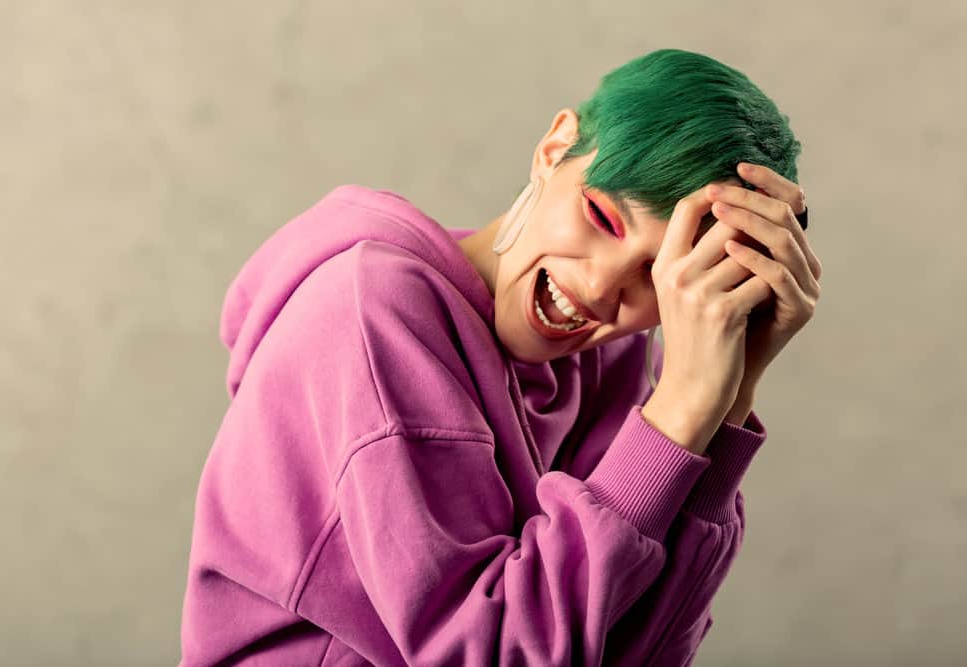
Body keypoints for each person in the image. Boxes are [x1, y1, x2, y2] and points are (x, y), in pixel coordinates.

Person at [178, 48, 822, 666]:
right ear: (553, 150)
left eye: (656, 277)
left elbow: (634, 650)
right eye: (601, 217)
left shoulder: (608, 359)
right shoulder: (372, 311)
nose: (601, 290)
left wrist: (731, 395)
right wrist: (680, 408)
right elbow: (486, 652)